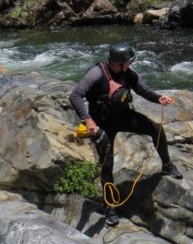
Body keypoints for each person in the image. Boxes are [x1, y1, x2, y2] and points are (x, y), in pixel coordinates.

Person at [69, 43, 182, 226]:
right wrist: (88, 120)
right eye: (128, 62)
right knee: (107, 165)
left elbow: (143, 89)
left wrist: (158, 98)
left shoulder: (128, 73)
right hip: (103, 124)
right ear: (118, 63)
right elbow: (75, 96)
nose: (130, 64)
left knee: (156, 130)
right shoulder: (96, 74)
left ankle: (167, 166)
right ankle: (110, 207)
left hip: (124, 116)